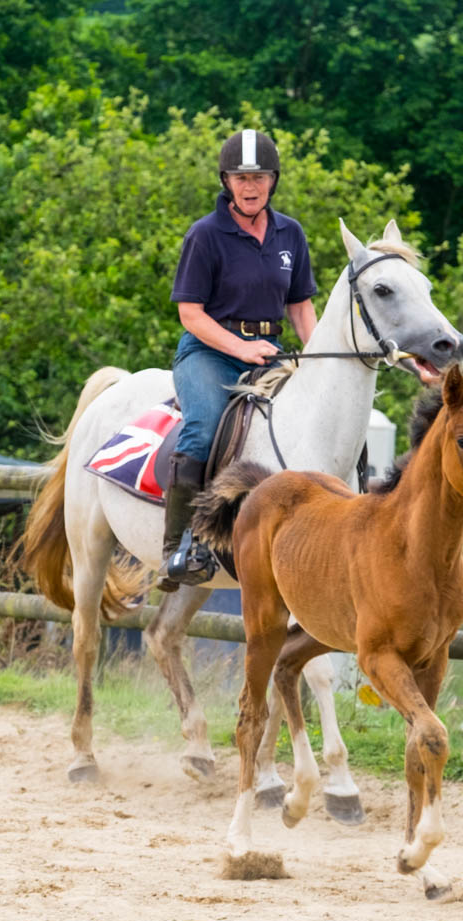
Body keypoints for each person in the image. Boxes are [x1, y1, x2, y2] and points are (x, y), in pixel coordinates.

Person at [158, 128, 318, 591]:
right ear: (225, 181)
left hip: (269, 356)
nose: (251, 186)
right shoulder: (205, 235)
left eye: (260, 176)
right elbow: (190, 313)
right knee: (204, 427)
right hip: (209, 354)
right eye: (240, 177)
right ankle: (180, 547)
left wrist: (316, 361)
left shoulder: (291, 233)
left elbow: (301, 307)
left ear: (274, 180)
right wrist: (241, 348)